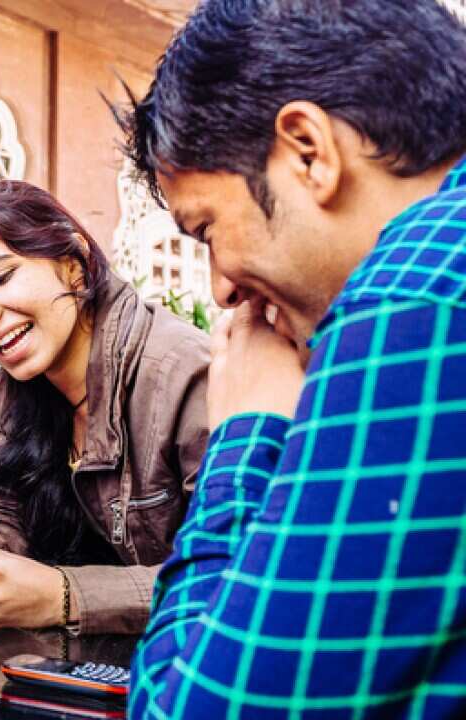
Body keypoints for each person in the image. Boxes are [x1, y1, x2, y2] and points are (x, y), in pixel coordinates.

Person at [116, 0, 466, 716]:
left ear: (308, 149)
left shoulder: (421, 286)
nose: (219, 289)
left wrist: (245, 435)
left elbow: (198, 708)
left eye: (206, 227)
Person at [0, 180, 210, 634]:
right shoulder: (22, 384)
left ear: (74, 266)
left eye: (1, 277)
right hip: (88, 676)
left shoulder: (184, 373)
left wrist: (66, 596)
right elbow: (4, 504)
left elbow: (233, 578)